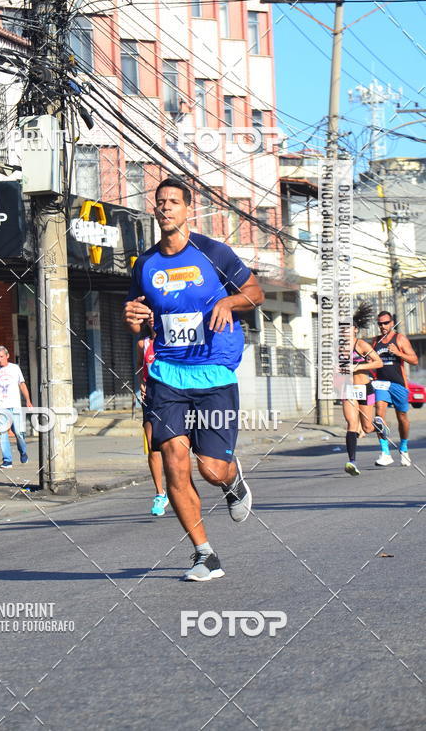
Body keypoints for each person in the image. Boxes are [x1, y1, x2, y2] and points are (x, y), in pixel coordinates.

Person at [123, 177, 264, 582]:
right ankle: (204, 554)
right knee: (174, 463)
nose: (166, 207)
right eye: (160, 202)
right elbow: (138, 316)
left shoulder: (214, 252)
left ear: (188, 209)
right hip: (167, 373)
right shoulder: (145, 264)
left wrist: (227, 300)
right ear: (155, 210)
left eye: (174, 202)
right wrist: (133, 319)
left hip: (214, 371)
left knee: (211, 470)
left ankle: (232, 480)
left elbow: (255, 292)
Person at [371, 311, 418, 467]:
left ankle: (404, 449)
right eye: (380, 324)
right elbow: (370, 360)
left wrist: (398, 352)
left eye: (386, 323)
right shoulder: (375, 342)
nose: (383, 326)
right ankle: (385, 453)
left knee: (402, 417)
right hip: (381, 383)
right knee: (379, 416)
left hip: (398, 384)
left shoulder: (400, 339)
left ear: (392, 323)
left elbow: (414, 360)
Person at [341, 304, 383, 476]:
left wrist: (357, 367)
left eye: (347, 327)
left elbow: (378, 362)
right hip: (348, 389)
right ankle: (352, 462)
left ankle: (378, 425)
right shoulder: (337, 348)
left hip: (365, 388)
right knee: (352, 424)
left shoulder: (362, 345)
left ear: (355, 329)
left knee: (366, 428)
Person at [136, 328, 169, 516]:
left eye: (154, 313)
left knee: (175, 446)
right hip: (150, 398)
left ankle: (179, 486)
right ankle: (160, 493)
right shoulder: (143, 344)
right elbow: (140, 367)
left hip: (174, 399)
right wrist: (141, 383)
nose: (151, 317)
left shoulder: (173, 341)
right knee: (152, 445)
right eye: (148, 314)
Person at [0, 345, 33, 467]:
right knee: (3, 433)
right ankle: (7, 460)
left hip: (15, 405)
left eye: (1, 356)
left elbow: (22, 385)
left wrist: (28, 400)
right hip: (0, 406)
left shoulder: (15, 368)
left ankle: (23, 452)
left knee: (19, 433)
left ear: (7, 356)